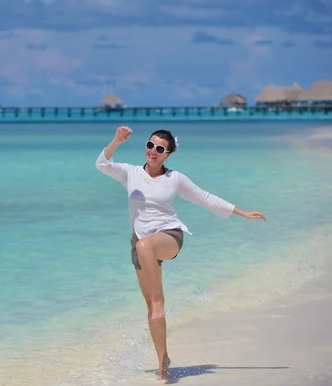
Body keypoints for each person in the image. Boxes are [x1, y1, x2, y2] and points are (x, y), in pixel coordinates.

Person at [95, 126, 266, 380]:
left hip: (169, 237)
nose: (153, 151)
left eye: (160, 149)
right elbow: (102, 163)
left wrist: (241, 212)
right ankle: (163, 361)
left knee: (155, 292)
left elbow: (204, 198)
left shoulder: (174, 179)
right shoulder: (130, 173)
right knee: (149, 303)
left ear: (167, 155)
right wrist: (116, 142)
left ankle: (161, 301)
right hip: (140, 242)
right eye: (150, 145)